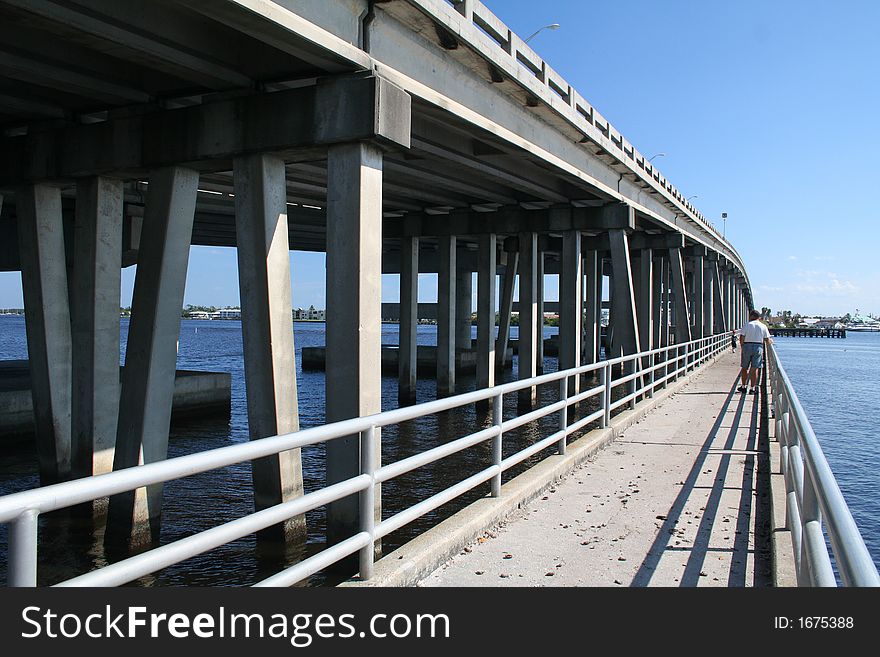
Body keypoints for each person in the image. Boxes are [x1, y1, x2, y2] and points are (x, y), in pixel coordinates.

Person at [737, 309, 772, 395]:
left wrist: (742, 346)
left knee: (744, 368)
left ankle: (744, 386)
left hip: (747, 346)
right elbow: (767, 339)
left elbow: (742, 337)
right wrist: (771, 343)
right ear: (759, 317)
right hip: (758, 346)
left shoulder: (747, 325)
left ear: (752, 316)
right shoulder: (763, 326)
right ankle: (752, 388)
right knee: (755, 368)